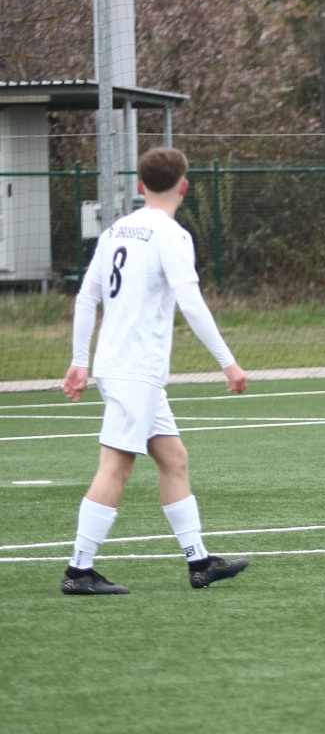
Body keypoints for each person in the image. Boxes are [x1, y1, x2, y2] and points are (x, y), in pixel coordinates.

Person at [59, 146, 250, 595]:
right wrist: (228, 362)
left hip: (125, 368)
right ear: (185, 186)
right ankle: (78, 570)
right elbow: (191, 303)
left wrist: (80, 361)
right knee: (116, 467)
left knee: (173, 458)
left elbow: (86, 298)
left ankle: (199, 561)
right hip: (135, 369)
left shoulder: (115, 230)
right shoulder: (172, 235)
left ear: (141, 185)